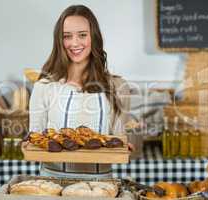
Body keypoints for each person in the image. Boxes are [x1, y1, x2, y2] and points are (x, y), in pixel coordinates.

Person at [29, 4, 131, 178]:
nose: (74, 43)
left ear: (94, 37)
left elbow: (118, 137)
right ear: (59, 41)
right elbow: (36, 139)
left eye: (82, 35)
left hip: (101, 186)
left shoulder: (118, 86)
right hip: (52, 184)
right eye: (67, 36)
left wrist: (123, 146)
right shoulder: (44, 87)